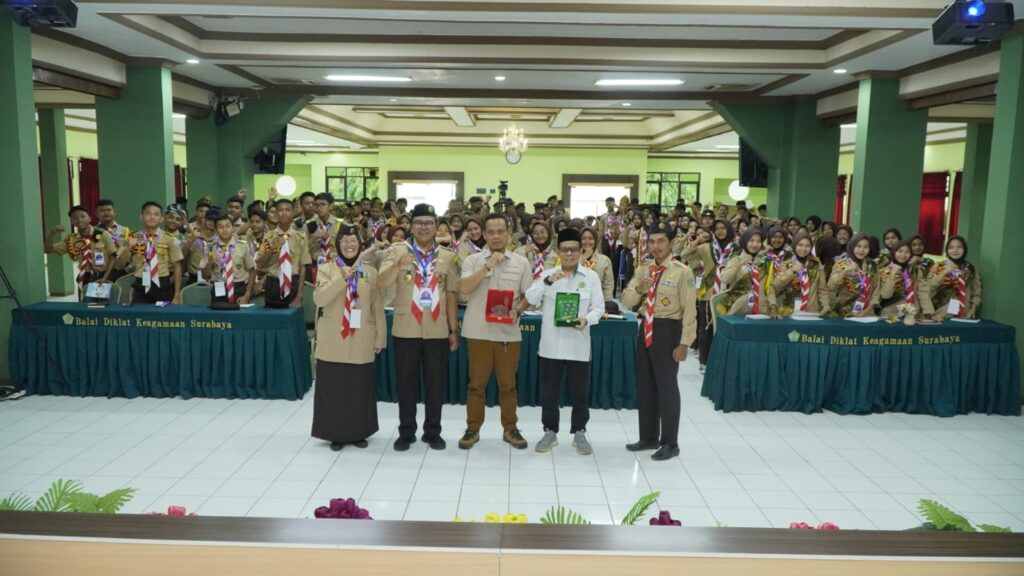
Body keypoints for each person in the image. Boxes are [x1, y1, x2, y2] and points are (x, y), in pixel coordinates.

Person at [378, 204, 460, 452]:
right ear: (411, 226)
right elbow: (381, 282)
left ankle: (432, 432)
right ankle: (406, 432)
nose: (423, 227)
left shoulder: (446, 255)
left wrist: (453, 330)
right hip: (406, 328)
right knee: (406, 383)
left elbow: (452, 294)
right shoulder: (397, 250)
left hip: (436, 329)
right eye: (419, 223)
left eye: (428, 223)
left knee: (435, 384)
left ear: (436, 226)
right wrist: (398, 264)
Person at [525, 228, 605, 455]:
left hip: (579, 345)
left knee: (580, 392)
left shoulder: (591, 277)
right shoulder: (547, 274)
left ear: (581, 251)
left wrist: (586, 319)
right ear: (558, 251)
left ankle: (579, 432)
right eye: (564, 250)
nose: (569, 254)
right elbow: (531, 299)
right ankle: (550, 432)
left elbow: (599, 307)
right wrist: (548, 281)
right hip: (551, 346)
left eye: (574, 250)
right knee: (549, 393)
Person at [458, 213, 533, 450]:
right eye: (491, 232)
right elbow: (464, 291)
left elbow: (527, 297)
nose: (496, 236)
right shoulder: (472, 260)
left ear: (509, 233)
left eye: (501, 231)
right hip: (478, 331)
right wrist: (487, 266)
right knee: (476, 385)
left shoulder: (521, 263)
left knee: (508, 385)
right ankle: (472, 429)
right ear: (484, 234)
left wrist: (518, 311)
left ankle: (510, 429)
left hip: (508, 333)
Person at [622, 221, 696, 461]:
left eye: (661, 241)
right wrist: (640, 289)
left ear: (671, 243)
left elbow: (690, 311)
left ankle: (670, 442)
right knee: (646, 385)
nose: (656, 246)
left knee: (667, 387)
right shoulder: (644, 270)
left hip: (668, 329)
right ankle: (649, 436)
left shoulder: (682, 272)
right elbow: (627, 300)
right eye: (652, 242)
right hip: (646, 327)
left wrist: (685, 342)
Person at [311, 224, 386, 451]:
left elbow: (376, 307)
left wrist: (380, 337)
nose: (349, 245)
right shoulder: (327, 269)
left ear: (360, 244)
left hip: (362, 334)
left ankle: (358, 432)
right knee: (333, 387)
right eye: (345, 242)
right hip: (334, 336)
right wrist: (342, 278)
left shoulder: (370, 272)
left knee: (358, 387)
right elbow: (320, 299)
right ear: (338, 245)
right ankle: (336, 432)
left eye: (353, 241)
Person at [114, 201, 183, 305]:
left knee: (162, 319)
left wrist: (177, 295)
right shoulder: (132, 237)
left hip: (162, 285)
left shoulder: (170, 239)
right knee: (140, 318)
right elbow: (118, 266)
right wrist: (128, 247)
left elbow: (177, 267)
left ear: (161, 218)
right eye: (148, 213)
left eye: (156, 214)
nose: (152, 217)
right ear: (141, 217)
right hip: (140, 284)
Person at [43, 205, 116, 299]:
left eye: (82, 216)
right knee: (85, 307)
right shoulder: (71, 240)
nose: (79, 220)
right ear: (72, 221)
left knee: (100, 307)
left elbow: (113, 256)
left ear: (89, 218)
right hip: (84, 277)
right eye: (75, 218)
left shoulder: (103, 234)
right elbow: (48, 250)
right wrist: (52, 233)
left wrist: (105, 277)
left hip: (101, 276)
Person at [257, 198, 310, 309]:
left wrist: (299, 295)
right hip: (273, 284)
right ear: (276, 213)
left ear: (293, 212)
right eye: (280, 210)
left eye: (287, 210)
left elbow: (303, 266)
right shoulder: (268, 237)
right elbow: (260, 265)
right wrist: (272, 248)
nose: (284, 213)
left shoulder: (300, 237)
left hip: (293, 284)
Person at [919, 236, 982, 321]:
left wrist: (972, 310)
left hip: (964, 311)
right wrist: (945, 272)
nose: (955, 250)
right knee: (955, 304)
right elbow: (928, 288)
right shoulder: (939, 266)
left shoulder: (970, 268)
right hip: (939, 309)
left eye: (959, 247)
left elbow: (976, 292)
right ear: (947, 250)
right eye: (951, 247)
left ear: (965, 249)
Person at [771, 232, 829, 316]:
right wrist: (792, 271)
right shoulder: (786, 264)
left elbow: (822, 289)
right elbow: (776, 287)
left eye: (807, 246)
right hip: (789, 313)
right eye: (800, 245)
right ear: (795, 245)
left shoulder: (816, 264)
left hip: (811, 312)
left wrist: (826, 305)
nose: (803, 249)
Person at [204, 211, 256, 304]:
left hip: (239, 288)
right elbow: (205, 275)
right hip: (219, 287)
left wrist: (247, 294)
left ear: (233, 228)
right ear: (215, 230)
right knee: (219, 317)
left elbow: (252, 270)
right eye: (220, 227)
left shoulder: (242, 246)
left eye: (228, 226)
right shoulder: (210, 247)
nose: (225, 230)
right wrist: (210, 262)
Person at [717, 228, 769, 316]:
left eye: (758, 241)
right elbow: (725, 279)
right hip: (738, 309)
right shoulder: (736, 260)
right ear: (745, 241)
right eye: (751, 241)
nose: (755, 244)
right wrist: (740, 264)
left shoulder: (764, 262)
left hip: (760, 310)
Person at [828, 233, 881, 318]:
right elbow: (831, 286)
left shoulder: (872, 265)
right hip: (842, 313)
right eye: (858, 246)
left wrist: (866, 311)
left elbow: (876, 291)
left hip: (866, 313)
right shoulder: (842, 263)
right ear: (852, 246)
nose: (862, 250)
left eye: (865, 247)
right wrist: (845, 270)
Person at [876, 241, 919, 320]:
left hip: (912, 306)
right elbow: (885, 295)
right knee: (888, 314)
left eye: (907, 252)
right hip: (889, 308)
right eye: (900, 251)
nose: (903, 255)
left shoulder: (914, 270)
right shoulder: (883, 271)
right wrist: (892, 274)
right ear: (894, 252)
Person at [95, 199, 132, 280]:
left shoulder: (125, 230)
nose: (106, 213)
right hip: (102, 273)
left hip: (122, 272)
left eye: (109, 210)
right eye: (102, 210)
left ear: (114, 212)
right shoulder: (93, 232)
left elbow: (130, 251)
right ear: (96, 214)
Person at [307, 193, 340, 282]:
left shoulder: (339, 225)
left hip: (334, 265)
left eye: (323, 204)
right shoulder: (309, 225)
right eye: (317, 205)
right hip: (314, 265)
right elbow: (301, 248)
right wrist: (313, 238)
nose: (319, 208)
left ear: (331, 206)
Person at [579, 228, 614, 301]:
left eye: (591, 239)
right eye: (584, 239)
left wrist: (607, 303)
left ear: (595, 241)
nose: (587, 242)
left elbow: (608, 285)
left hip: (597, 301)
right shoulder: (573, 259)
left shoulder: (604, 260)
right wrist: (583, 258)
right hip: (577, 298)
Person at [185, 209, 218, 285]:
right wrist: (189, 243)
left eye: (215, 220)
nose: (212, 222)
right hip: (193, 278)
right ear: (204, 220)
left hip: (214, 280)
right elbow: (181, 258)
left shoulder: (219, 240)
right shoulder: (192, 237)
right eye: (209, 219)